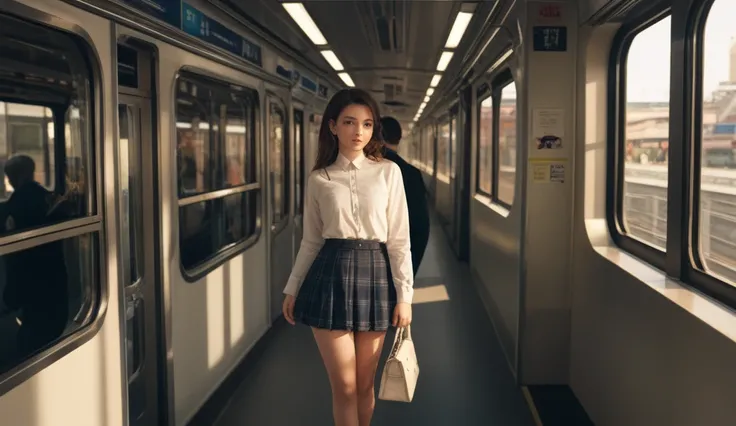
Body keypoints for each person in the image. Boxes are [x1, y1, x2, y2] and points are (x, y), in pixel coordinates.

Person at [282, 88, 414, 426]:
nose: (359, 132)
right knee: (343, 384)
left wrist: (405, 297)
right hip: (330, 274)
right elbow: (310, 241)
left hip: (376, 275)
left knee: (364, 384)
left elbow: (399, 240)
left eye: (367, 124)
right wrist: (293, 286)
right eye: (350, 122)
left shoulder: (388, 172)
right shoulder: (319, 179)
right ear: (332, 126)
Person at [380, 116, 430, 277]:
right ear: (399, 139)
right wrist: (408, 274)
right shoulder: (411, 174)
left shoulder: (361, 169)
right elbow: (420, 229)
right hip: (396, 264)